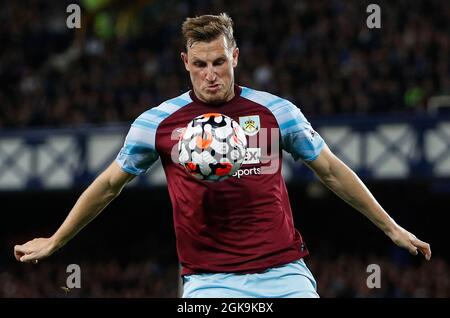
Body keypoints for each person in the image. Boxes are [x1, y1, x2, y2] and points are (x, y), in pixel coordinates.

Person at [14, 13, 431, 298]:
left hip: (284, 274)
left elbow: (331, 171)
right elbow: (107, 187)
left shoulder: (277, 112)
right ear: (185, 62)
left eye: (218, 62)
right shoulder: (156, 124)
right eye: (200, 64)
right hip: (210, 281)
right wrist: (56, 240)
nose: (211, 74)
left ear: (234, 56)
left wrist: (391, 228)